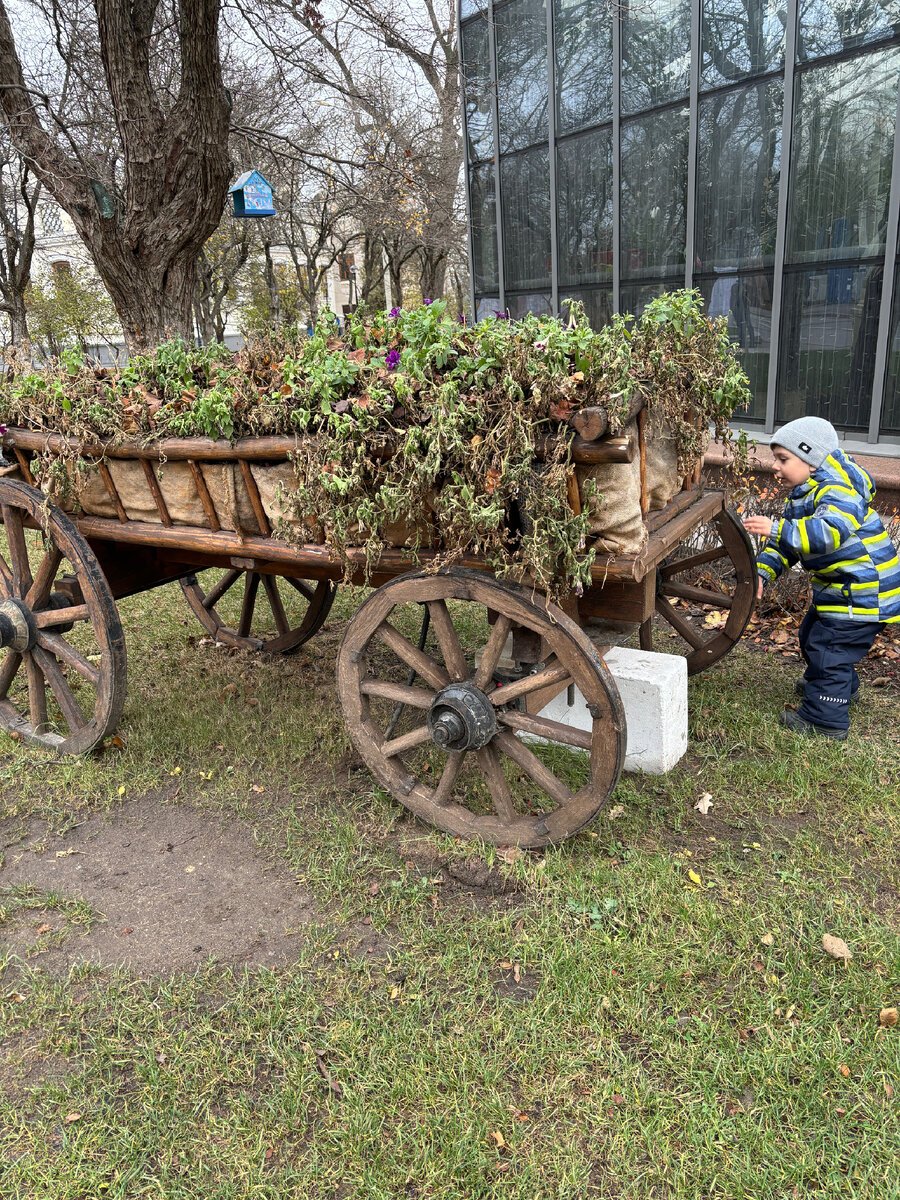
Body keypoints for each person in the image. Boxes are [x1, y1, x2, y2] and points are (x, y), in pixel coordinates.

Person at [742, 416, 900, 741]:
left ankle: (824, 721)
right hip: (844, 591)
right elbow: (788, 545)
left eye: (783, 459)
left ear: (811, 460)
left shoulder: (838, 492)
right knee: (814, 633)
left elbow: (827, 535)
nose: (775, 466)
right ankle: (838, 687)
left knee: (829, 648)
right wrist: (761, 571)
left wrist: (775, 526)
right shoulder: (803, 495)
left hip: (865, 592)